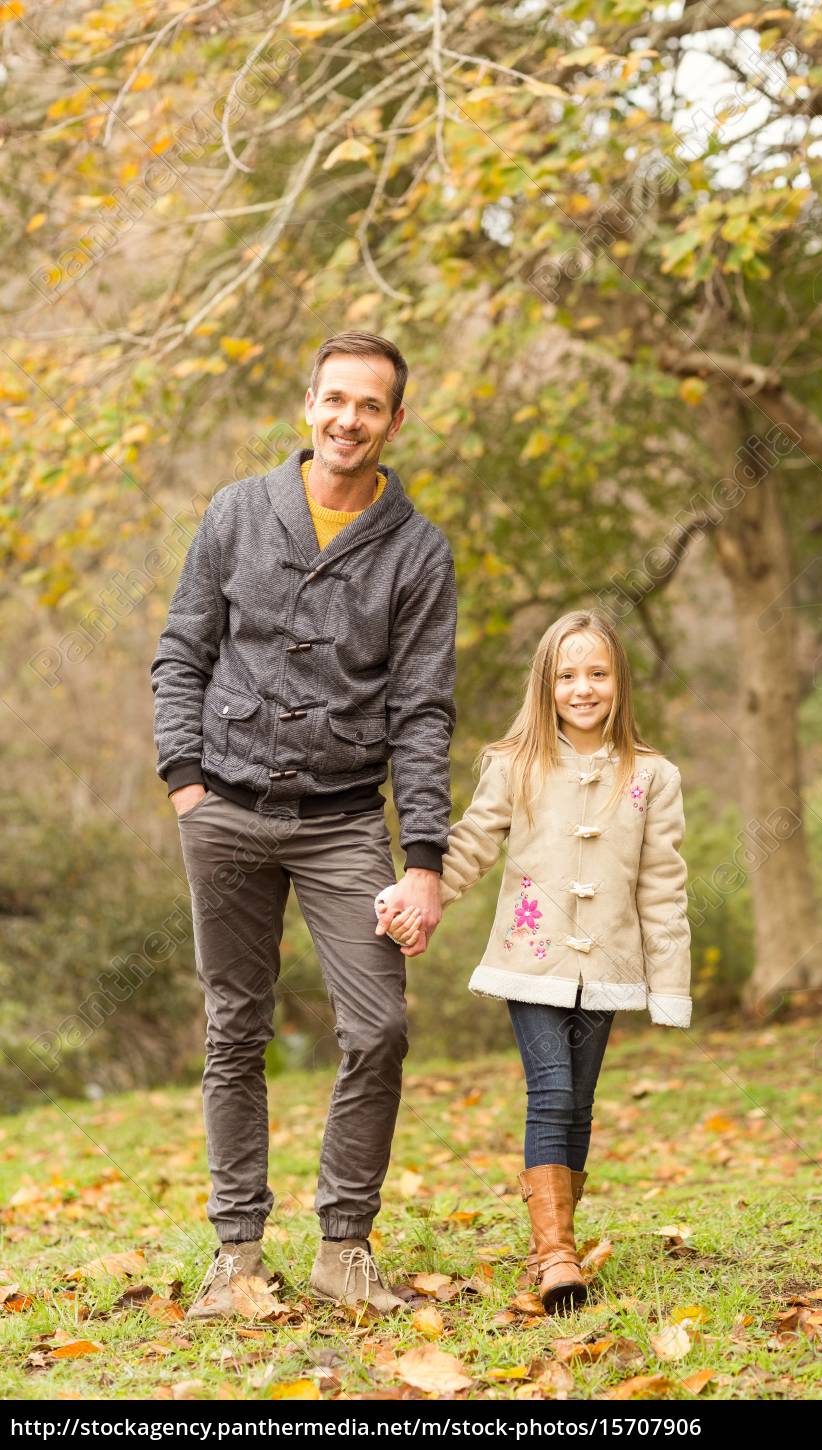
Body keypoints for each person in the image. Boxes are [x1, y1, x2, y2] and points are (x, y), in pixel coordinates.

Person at [151, 332, 456, 1320]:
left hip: (342, 826)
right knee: (234, 1029)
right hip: (225, 813)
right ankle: (236, 1259)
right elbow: (182, 650)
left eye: (370, 405)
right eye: (335, 399)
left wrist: (425, 860)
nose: (348, 420)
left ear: (395, 422)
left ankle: (342, 1250)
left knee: (379, 1028)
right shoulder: (237, 512)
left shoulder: (419, 551)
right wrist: (186, 782)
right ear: (308, 404)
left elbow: (422, 711)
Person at [377, 609, 692, 1315]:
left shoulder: (651, 777)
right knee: (549, 1091)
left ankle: (559, 1240)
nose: (583, 688)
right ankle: (555, 1258)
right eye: (567, 675)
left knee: (578, 1103)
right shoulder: (514, 765)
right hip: (530, 959)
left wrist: (668, 984)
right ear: (546, 686)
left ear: (618, 683)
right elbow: (470, 845)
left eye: (597, 673)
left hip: (606, 966)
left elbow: (663, 885)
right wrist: (417, 896)